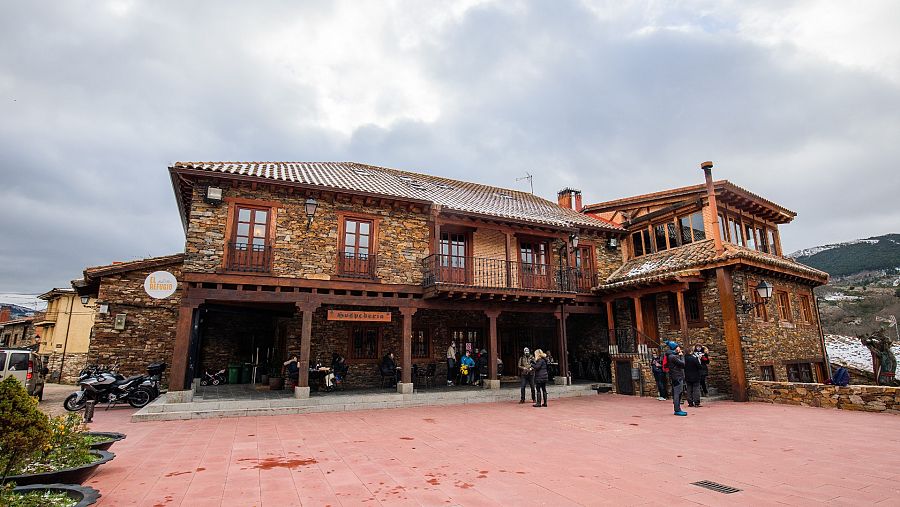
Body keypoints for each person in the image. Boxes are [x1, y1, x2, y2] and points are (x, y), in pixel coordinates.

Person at [665, 341, 687, 416]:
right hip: (677, 376)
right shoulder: (673, 357)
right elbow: (683, 364)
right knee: (678, 393)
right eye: (678, 346)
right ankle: (677, 410)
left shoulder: (672, 355)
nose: (679, 348)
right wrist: (681, 356)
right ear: (675, 348)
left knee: (678, 393)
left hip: (676, 376)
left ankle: (678, 409)